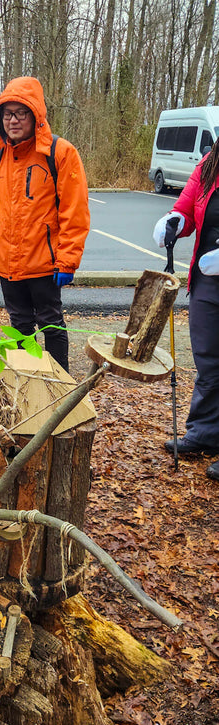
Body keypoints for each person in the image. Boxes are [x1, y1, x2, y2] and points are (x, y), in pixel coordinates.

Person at [0, 76, 90, 372]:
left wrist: (68, 261)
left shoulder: (60, 153)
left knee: (51, 323)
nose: (13, 120)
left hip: (45, 262)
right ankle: (26, 382)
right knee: (20, 325)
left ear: (35, 115)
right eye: (7, 114)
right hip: (9, 264)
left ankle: (58, 382)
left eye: (20, 113)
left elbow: (75, 212)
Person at [153, 139, 219, 482]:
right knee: (208, 359)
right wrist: (175, 219)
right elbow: (189, 207)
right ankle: (206, 431)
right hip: (208, 277)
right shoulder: (210, 163)